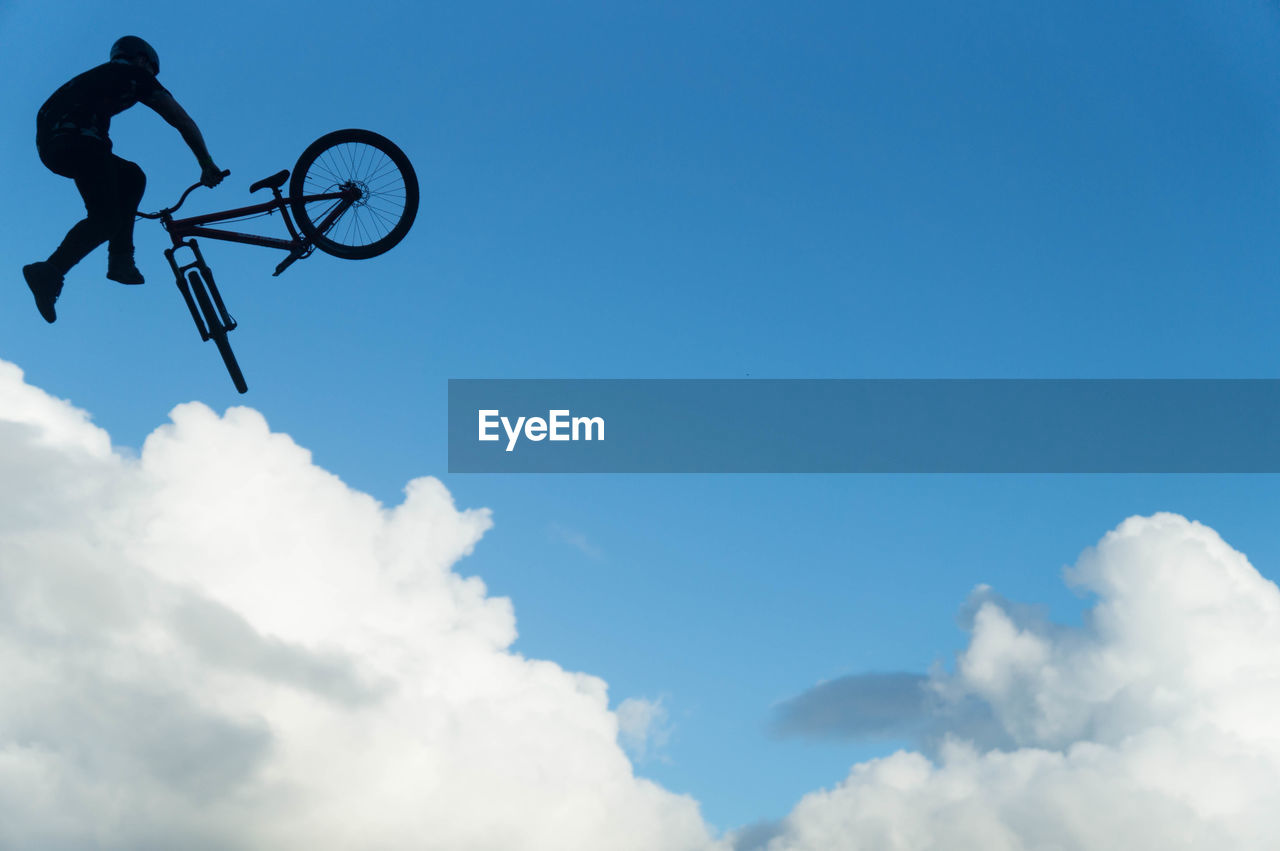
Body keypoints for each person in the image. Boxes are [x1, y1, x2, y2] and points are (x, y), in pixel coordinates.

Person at [23, 36, 225, 323]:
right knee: (106, 219)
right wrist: (207, 164)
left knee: (131, 177)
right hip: (82, 142)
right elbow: (180, 119)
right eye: (153, 71)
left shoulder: (94, 77)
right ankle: (51, 271)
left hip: (56, 147)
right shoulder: (135, 74)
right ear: (143, 60)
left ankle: (119, 259)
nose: (153, 78)